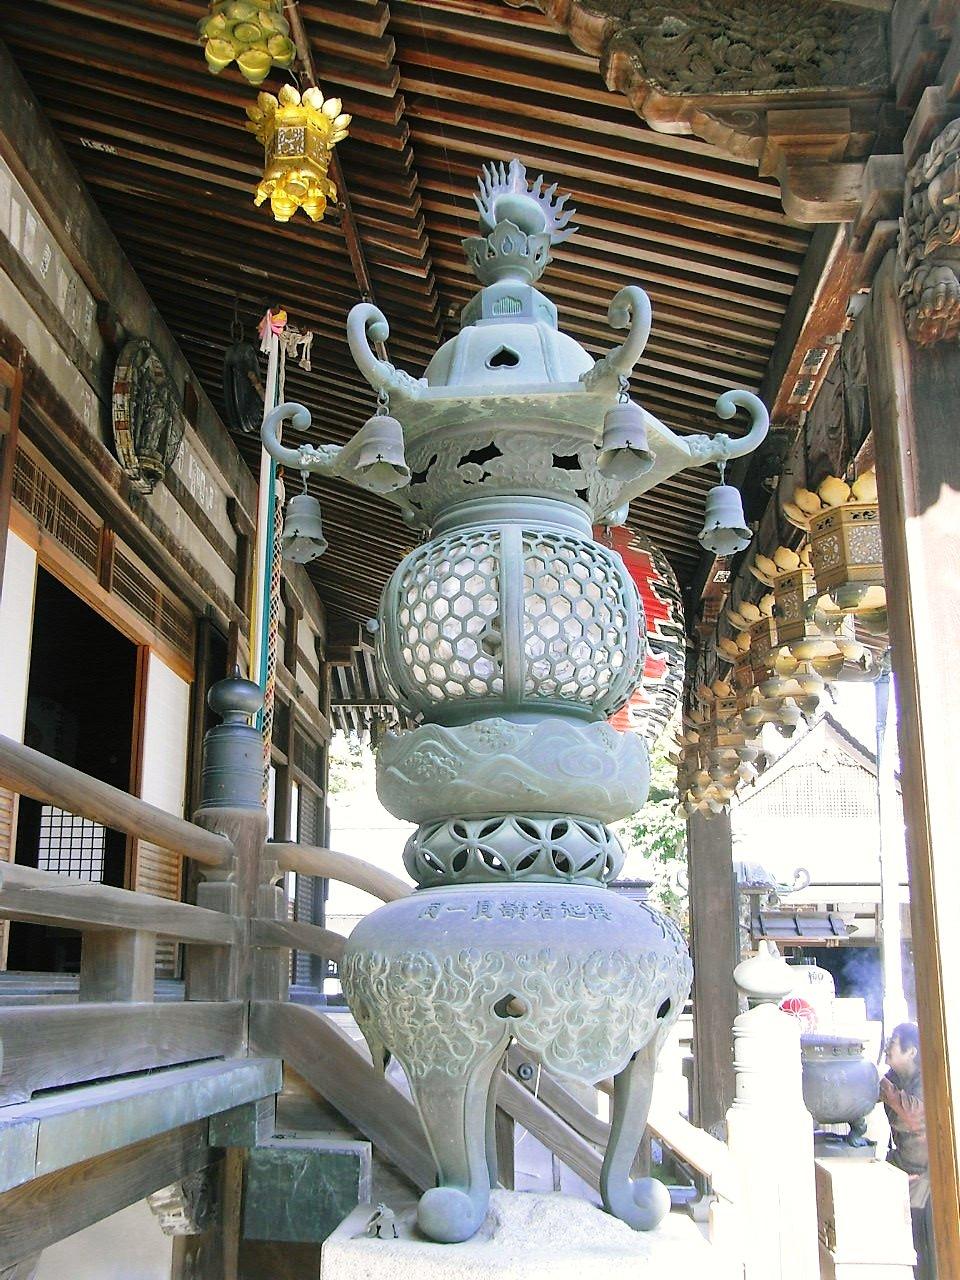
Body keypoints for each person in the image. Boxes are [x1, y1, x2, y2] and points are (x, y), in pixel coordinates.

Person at [881, 1022, 936, 1279]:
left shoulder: (926, 1079)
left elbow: (914, 1116)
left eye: (893, 1042)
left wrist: (889, 1093)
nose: (887, 1047)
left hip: (927, 1176)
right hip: (903, 1165)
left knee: (923, 1244)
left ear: (911, 1051)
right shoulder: (892, 1079)